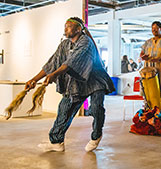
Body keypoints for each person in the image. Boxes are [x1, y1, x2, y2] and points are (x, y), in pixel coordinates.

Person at [25, 17, 115, 152]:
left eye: (68, 26)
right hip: (77, 82)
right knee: (64, 110)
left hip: (95, 80)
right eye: (64, 26)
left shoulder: (86, 42)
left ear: (78, 29)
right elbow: (52, 63)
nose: (65, 29)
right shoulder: (64, 45)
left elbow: (72, 62)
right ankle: (56, 142)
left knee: (96, 108)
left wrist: (54, 74)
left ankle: (96, 136)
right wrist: (34, 80)